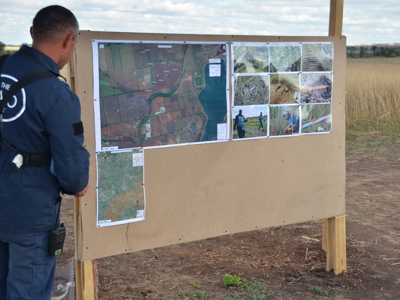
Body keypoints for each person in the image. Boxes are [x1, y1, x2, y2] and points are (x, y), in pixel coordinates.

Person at [0, 6, 89, 300]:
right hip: (30, 215)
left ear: (31, 34)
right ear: (67, 39)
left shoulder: (3, 67)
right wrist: (77, 184)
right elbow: (72, 171)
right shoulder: (56, 93)